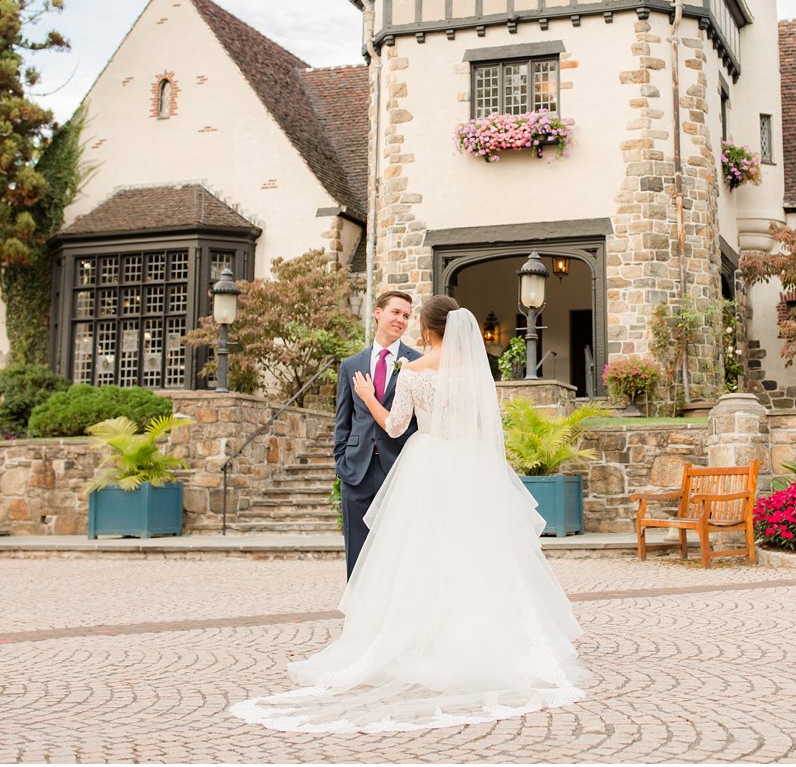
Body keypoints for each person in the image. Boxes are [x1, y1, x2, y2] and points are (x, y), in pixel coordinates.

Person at [230, 296, 589, 734]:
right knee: (472, 555)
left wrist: (368, 396)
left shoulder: (413, 371)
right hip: (471, 468)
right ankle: (478, 641)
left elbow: (396, 426)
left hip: (427, 467)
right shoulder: (477, 375)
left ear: (428, 327)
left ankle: (420, 644)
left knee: (419, 557)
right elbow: (484, 428)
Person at [332, 289, 421, 579]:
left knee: (397, 546)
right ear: (378, 313)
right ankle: (358, 613)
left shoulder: (416, 363)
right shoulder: (350, 365)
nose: (401, 320)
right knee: (357, 548)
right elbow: (342, 420)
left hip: (397, 467)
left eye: (406, 316)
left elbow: (418, 422)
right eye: (396, 312)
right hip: (356, 469)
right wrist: (341, 461)